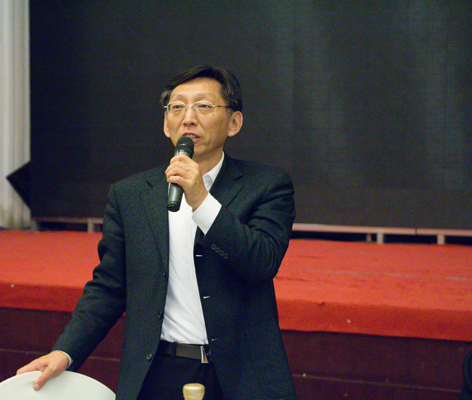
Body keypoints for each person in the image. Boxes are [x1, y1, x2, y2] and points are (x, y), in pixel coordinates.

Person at [17, 65, 298, 400]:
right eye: (177, 107)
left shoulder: (266, 186)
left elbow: (261, 262)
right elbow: (109, 286)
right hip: (158, 373)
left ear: (234, 122)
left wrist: (201, 200)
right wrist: (65, 352)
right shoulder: (131, 195)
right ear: (166, 124)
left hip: (240, 376)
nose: (189, 118)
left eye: (203, 106)